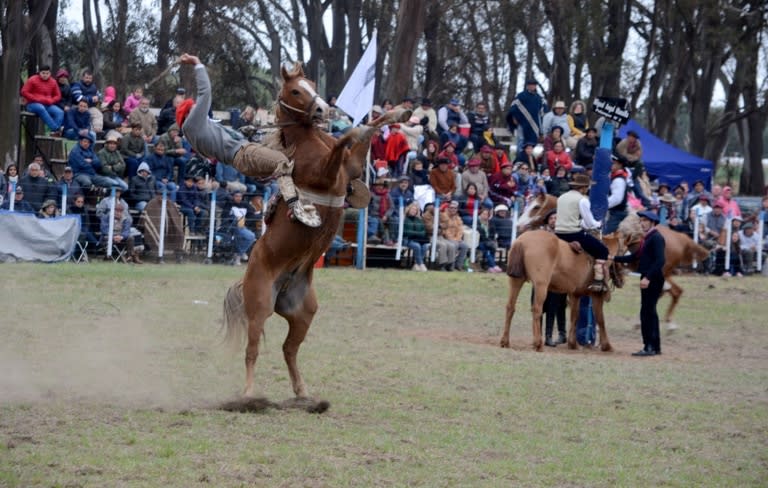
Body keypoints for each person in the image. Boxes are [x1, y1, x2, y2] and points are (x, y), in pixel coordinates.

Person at [177, 53, 319, 227]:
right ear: (188, 114)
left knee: (290, 155)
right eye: (194, 108)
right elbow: (205, 93)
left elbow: (221, 140)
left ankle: (279, 199)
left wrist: (241, 133)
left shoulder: (197, 130)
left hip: (242, 155)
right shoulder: (192, 124)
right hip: (244, 154)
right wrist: (197, 63)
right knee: (283, 160)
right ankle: (295, 206)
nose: (199, 109)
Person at [613, 210, 666, 356]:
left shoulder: (656, 238)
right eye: (641, 221)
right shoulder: (647, 239)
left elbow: (660, 260)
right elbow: (635, 257)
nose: (642, 223)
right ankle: (655, 346)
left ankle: (648, 346)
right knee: (650, 312)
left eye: (645, 221)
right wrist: (614, 258)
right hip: (649, 277)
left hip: (652, 278)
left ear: (653, 223)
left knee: (647, 313)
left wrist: (647, 278)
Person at [554, 173, 610, 292]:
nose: (588, 189)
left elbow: (573, 218)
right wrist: (598, 224)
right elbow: (590, 223)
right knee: (603, 251)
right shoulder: (582, 200)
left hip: (558, 233)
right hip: (573, 233)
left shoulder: (561, 197)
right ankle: (598, 281)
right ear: (583, 187)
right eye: (587, 187)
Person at [541, 209, 567, 346]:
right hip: (543, 275)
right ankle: (541, 334)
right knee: (540, 305)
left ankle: (560, 334)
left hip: (559, 275)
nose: (554, 220)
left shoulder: (564, 236)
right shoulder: (542, 236)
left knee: (559, 305)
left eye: (556, 218)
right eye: (551, 218)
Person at [21, 65, 64, 135]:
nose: (45, 75)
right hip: (32, 104)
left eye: (47, 73)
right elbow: (24, 91)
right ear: (39, 73)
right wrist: (37, 99)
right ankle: (56, 129)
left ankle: (55, 133)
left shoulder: (53, 82)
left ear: (50, 73)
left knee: (60, 112)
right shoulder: (33, 79)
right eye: (43, 73)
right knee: (41, 108)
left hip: (48, 104)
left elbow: (58, 95)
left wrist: (52, 100)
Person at [506, 78, 546, 151]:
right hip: (522, 123)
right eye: (530, 85)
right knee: (521, 141)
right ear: (527, 86)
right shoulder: (521, 96)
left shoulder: (539, 98)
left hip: (534, 125)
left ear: (535, 86)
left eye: (533, 85)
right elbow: (513, 107)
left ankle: (528, 159)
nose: (532, 86)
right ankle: (519, 159)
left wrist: (541, 131)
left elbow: (542, 112)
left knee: (531, 143)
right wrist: (514, 118)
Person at [221, 190, 257, 265]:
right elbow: (224, 216)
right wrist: (232, 219)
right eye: (236, 196)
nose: (238, 198)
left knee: (251, 236)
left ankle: (239, 254)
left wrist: (246, 222)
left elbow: (252, 213)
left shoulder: (245, 205)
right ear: (233, 197)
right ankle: (240, 255)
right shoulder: (229, 204)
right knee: (240, 237)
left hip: (242, 227)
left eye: (240, 196)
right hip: (231, 227)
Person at [439, 200, 470, 271]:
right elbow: (445, 229)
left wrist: (458, 238)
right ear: (448, 208)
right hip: (446, 238)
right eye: (451, 207)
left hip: (456, 238)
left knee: (465, 246)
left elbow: (460, 229)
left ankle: (458, 265)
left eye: (455, 208)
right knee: (454, 245)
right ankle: (450, 265)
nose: (453, 209)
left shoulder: (457, 217)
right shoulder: (444, 216)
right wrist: (452, 238)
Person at [70, 69, 103, 133]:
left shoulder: (94, 86)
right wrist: (92, 99)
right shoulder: (77, 85)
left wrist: (98, 97)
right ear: (83, 77)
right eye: (86, 78)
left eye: (90, 78)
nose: (88, 80)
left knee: (98, 114)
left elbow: (99, 95)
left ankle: (96, 132)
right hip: (78, 106)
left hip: (90, 107)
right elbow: (78, 98)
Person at [402, 202, 430, 271]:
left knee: (425, 246)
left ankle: (416, 264)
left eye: (415, 210)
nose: (413, 211)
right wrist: (417, 233)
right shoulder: (405, 219)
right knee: (417, 246)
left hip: (419, 239)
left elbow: (423, 232)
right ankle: (421, 264)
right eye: (412, 209)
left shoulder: (419, 220)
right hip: (407, 239)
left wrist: (414, 233)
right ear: (409, 210)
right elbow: (405, 232)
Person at [605, 154, 630, 234]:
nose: (611, 165)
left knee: (605, 235)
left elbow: (616, 199)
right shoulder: (615, 177)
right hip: (614, 211)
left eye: (613, 163)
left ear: (620, 165)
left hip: (616, 213)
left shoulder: (618, 180)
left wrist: (602, 206)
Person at [367, 178, 393, 244]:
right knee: (379, 221)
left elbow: (392, 207)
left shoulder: (387, 195)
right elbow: (367, 205)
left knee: (394, 220)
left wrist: (386, 215)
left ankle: (393, 238)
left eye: (381, 185)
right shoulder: (371, 194)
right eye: (377, 185)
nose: (379, 186)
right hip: (373, 215)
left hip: (384, 215)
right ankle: (386, 240)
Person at [477, 207, 502, 273]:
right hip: (480, 241)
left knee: (492, 248)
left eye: (486, 214)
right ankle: (493, 265)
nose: (485, 216)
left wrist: (491, 240)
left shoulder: (490, 223)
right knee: (486, 249)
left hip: (489, 241)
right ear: (480, 214)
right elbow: (479, 234)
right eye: (483, 214)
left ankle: (490, 267)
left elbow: (493, 233)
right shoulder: (477, 222)